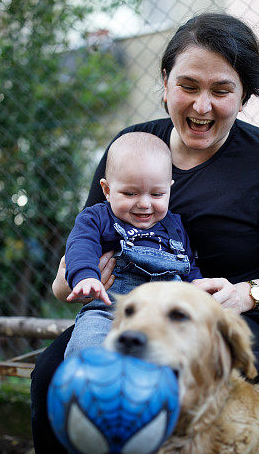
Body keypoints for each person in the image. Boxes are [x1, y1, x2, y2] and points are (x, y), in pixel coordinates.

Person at [31, 12, 259, 454]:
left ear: (245, 94)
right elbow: (84, 241)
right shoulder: (131, 150)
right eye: (187, 86)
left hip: (231, 321)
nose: (202, 105)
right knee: (51, 373)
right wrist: (74, 278)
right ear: (165, 84)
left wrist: (246, 294)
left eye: (221, 90)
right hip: (131, 311)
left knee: (138, 388)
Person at [63, 132, 202, 359]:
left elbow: (187, 267)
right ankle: (93, 388)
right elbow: (81, 246)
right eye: (130, 193)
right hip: (109, 310)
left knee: (188, 355)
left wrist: (199, 287)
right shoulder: (97, 218)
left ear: (169, 189)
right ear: (107, 190)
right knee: (86, 349)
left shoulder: (174, 227)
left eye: (157, 194)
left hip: (164, 316)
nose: (144, 204)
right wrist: (86, 277)